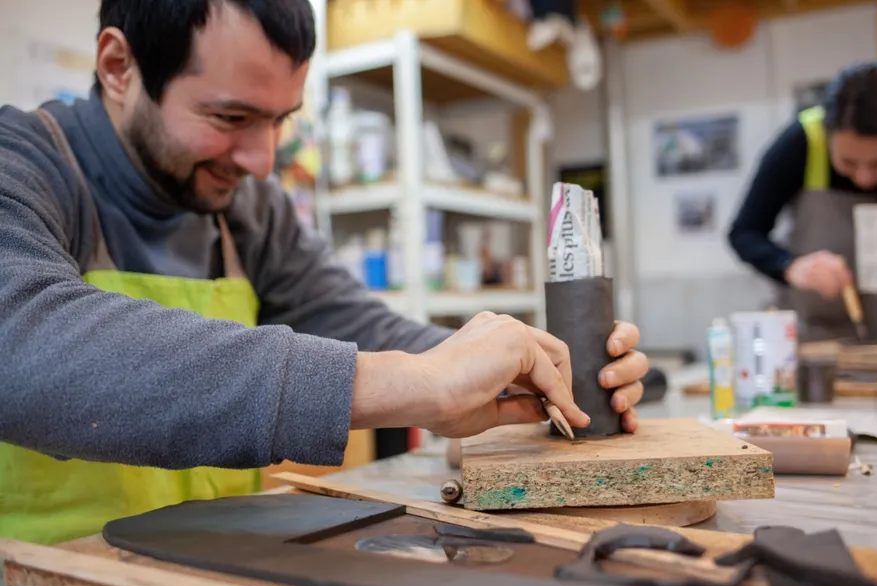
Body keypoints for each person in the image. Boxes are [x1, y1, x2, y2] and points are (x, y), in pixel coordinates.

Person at [0, 0, 649, 545]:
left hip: (205, 565)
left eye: (280, 119)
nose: (262, 159)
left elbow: (354, 322)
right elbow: (21, 347)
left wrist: (529, 375)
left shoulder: (247, 209)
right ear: (118, 66)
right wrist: (413, 381)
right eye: (231, 118)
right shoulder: (20, 168)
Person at [728, 59, 877, 342]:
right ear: (829, 132)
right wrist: (790, 266)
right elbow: (744, 233)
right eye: (848, 162)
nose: (864, 178)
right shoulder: (802, 142)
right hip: (817, 344)